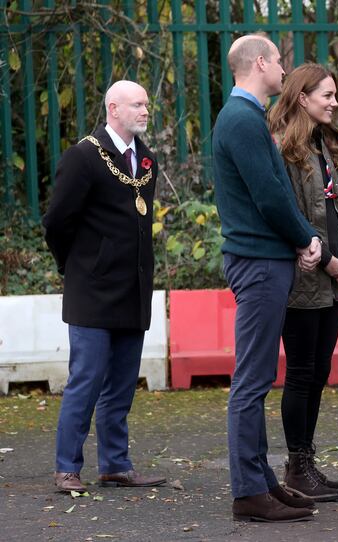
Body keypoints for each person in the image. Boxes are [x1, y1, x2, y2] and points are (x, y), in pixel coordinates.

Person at [212, 34, 322, 523]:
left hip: (264, 259)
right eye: (278, 60)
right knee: (251, 381)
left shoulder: (248, 117)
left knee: (257, 378)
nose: (284, 68)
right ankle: (247, 494)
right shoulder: (240, 119)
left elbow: (273, 189)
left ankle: (262, 483)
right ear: (260, 63)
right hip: (258, 261)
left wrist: (299, 239)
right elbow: (270, 196)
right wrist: (305, 238)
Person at [43, 80, 166, 493]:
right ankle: (67, 467)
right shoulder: (83, 156)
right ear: (113, 108)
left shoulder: (144, 159)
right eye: (137, 104)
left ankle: (115, 464)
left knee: (121, 385)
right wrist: (75, 267)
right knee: (87, 380)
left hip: (133, 289)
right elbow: (57, 222)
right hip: (92, 291)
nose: (145, 111)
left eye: (146, 104)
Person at [268, 63, 338, 503]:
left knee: (320, 370)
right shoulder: (285, 150)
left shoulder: (324, 145)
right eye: (326, 95)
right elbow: (294, 219)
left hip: (333, 280)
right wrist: (332, 262)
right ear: (302, 97)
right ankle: (296, 467)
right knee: (302, 373)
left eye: (334, 94)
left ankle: (306, 462)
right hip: (305, 280)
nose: (334, 102)